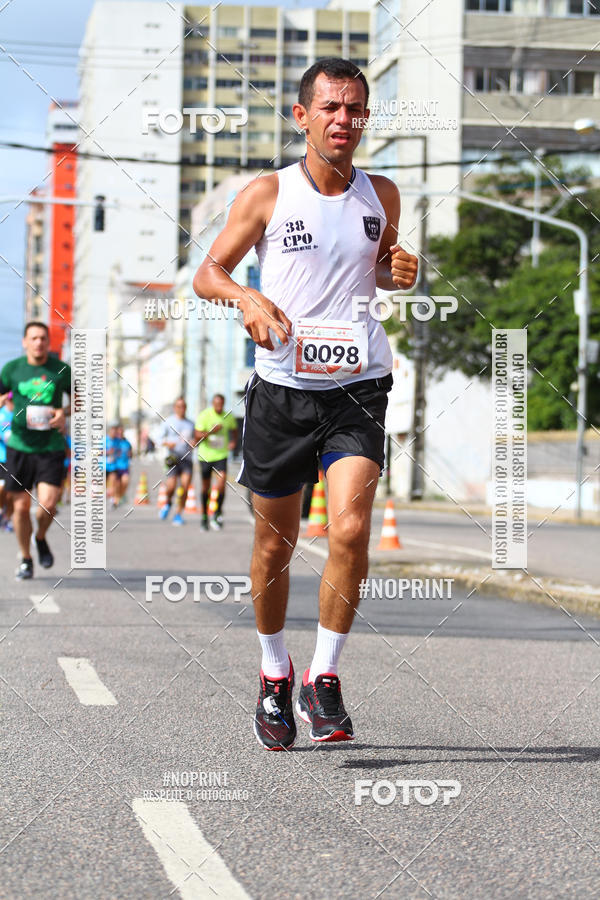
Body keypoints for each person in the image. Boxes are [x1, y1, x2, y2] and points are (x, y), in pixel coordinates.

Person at [193, 58, 418, 749]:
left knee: (349, 530)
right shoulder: (267, 193)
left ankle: (324, 678)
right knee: (274, 545)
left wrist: (398, 271)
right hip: (282, 390)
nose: (343, 119)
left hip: (357, 385)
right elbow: (209, 274)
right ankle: (271, 674)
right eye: (330, 108)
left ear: (366, 117)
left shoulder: (383, 194)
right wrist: (248, 297)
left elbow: (375, 269)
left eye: (354, 108)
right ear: (302, 116)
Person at [0, 322, 72, 579]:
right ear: (25, 342)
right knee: (19, 509)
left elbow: (82, 399)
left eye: (43, 338)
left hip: (50, 446)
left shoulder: (61, 370)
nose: (39, 342)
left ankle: (40, 537)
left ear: (48, 342)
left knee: (48, 505)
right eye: (34, 338)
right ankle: (26, 558)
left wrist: (63, 413)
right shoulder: (12, 370)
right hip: (19, 447)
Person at [193, 393, 238, 531]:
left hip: (221, 455)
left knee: (221, 483)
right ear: (213, 403)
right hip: (205, 456)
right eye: (216, 404)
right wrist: (211, 432)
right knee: (205, 487)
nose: (219, 406)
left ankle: (217, 512)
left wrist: (233, 441)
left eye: (221, 404)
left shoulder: (228, 416)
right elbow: (197, 435)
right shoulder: (205, 415)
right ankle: (205, 516)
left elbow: (234, 429)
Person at [159, 397, 195, 526]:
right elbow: (159, 439)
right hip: (173, 459)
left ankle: (178, 514)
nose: (181, 409)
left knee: (185, 487)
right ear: (175, 408)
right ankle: (168, 503)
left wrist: (194, 443)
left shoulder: (191, 424)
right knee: (171, 487)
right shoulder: (168, 422)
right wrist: (168, 443)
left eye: (183, 406)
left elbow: (195, 440)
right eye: (179, 406)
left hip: (187, 459)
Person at [0, 393, 14, 529]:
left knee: (13, 493)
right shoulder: (1, 414)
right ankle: (1, 512)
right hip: (2, 457)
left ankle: (7, 518)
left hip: (15, 458)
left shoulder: (19, 414)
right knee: (2, 487)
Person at [114, 425, 132, 505]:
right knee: (117, 485)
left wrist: (130, 454)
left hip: (124, 466)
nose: (120, 433)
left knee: (125, 481)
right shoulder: (115, 442)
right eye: (119, 431)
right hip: (115, 466)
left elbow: (131, 453)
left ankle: (121, 495)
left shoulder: (127, 443)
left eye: (122, 431)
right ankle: (116, 499)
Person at [105, 422, 120, 508]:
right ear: (110, 431)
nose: (114, 433)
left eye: (115, 431)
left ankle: (112, 500)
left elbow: (121, 450)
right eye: (113, 431)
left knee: (113, 482)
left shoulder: (118, 441)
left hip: (113, 466)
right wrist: (107, 452)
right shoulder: (104, 440)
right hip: (103, 466)